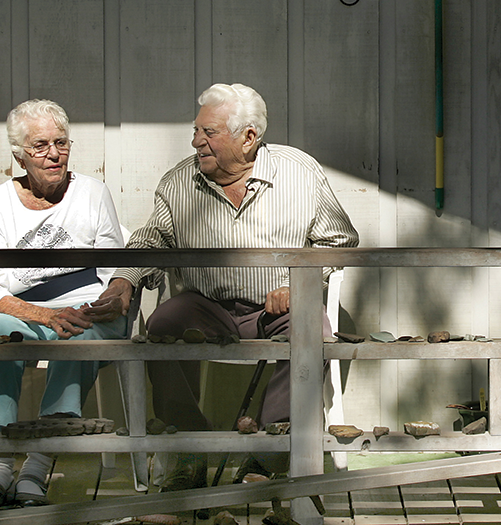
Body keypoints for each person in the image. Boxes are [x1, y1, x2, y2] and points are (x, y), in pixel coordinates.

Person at [103, 83, 359, 491]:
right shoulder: (179, 183)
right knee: (164, 324)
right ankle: (188, 448)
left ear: (249, 138)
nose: (196, 141)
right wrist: (122, 282)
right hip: (206, 306)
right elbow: (150, 241)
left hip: (276, 310)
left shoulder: (300, 173)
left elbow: (339, 240)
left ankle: (269, 452)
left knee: (312, 330)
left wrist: (300, 284)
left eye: (209, 133)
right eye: (196, 131)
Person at [0, 99, 130, 509]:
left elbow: (116, 267)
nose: (54, 154)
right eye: (40, 146)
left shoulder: (93, 193)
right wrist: (45, 314)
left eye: (61, 142)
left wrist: (106, 302)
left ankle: (37, 466)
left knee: (79, 334)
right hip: (26, 311)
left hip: (85, 308)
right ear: (19, 154)